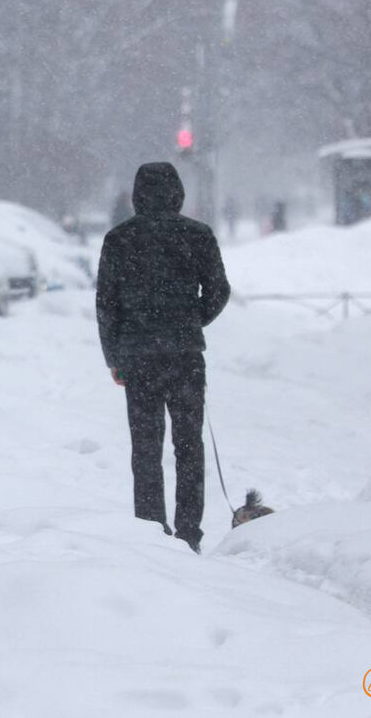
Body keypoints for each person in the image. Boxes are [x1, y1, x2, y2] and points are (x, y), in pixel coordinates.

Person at [96, 162, 231, 554]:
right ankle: (190, 532)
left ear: (137, 194)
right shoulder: (197, 235)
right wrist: (192, 319)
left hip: (138, 358)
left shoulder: (119, 239)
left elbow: (107, 304)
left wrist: (114, 357)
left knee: (146, 448)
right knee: (189, 445)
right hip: (185, 355)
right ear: (178, 193)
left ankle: (151, 530)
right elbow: (219, 290)